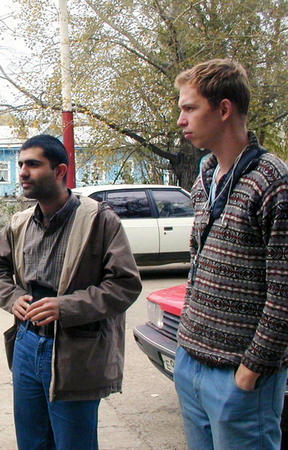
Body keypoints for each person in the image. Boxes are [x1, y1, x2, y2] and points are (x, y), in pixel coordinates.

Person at [0, 134, 142, 450]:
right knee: (33, 442)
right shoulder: (21, 222)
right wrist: (13, 298)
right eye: (21, 165)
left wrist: (66, 307)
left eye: (33, 164)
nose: (23, 172)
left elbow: (125, 284)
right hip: (27, 342)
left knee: (73, 443)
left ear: (60, 170)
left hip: (75, 349)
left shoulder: (99, 220)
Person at [174, 59, 288, 449]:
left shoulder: (273, 182)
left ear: (224, 109)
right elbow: (199, 266)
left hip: (239, 377)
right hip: (190, 363)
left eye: (190, 108)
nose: (181, 119)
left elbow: (283, 293)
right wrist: (185, 352)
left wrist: (252, 368)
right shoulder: (206, 175)